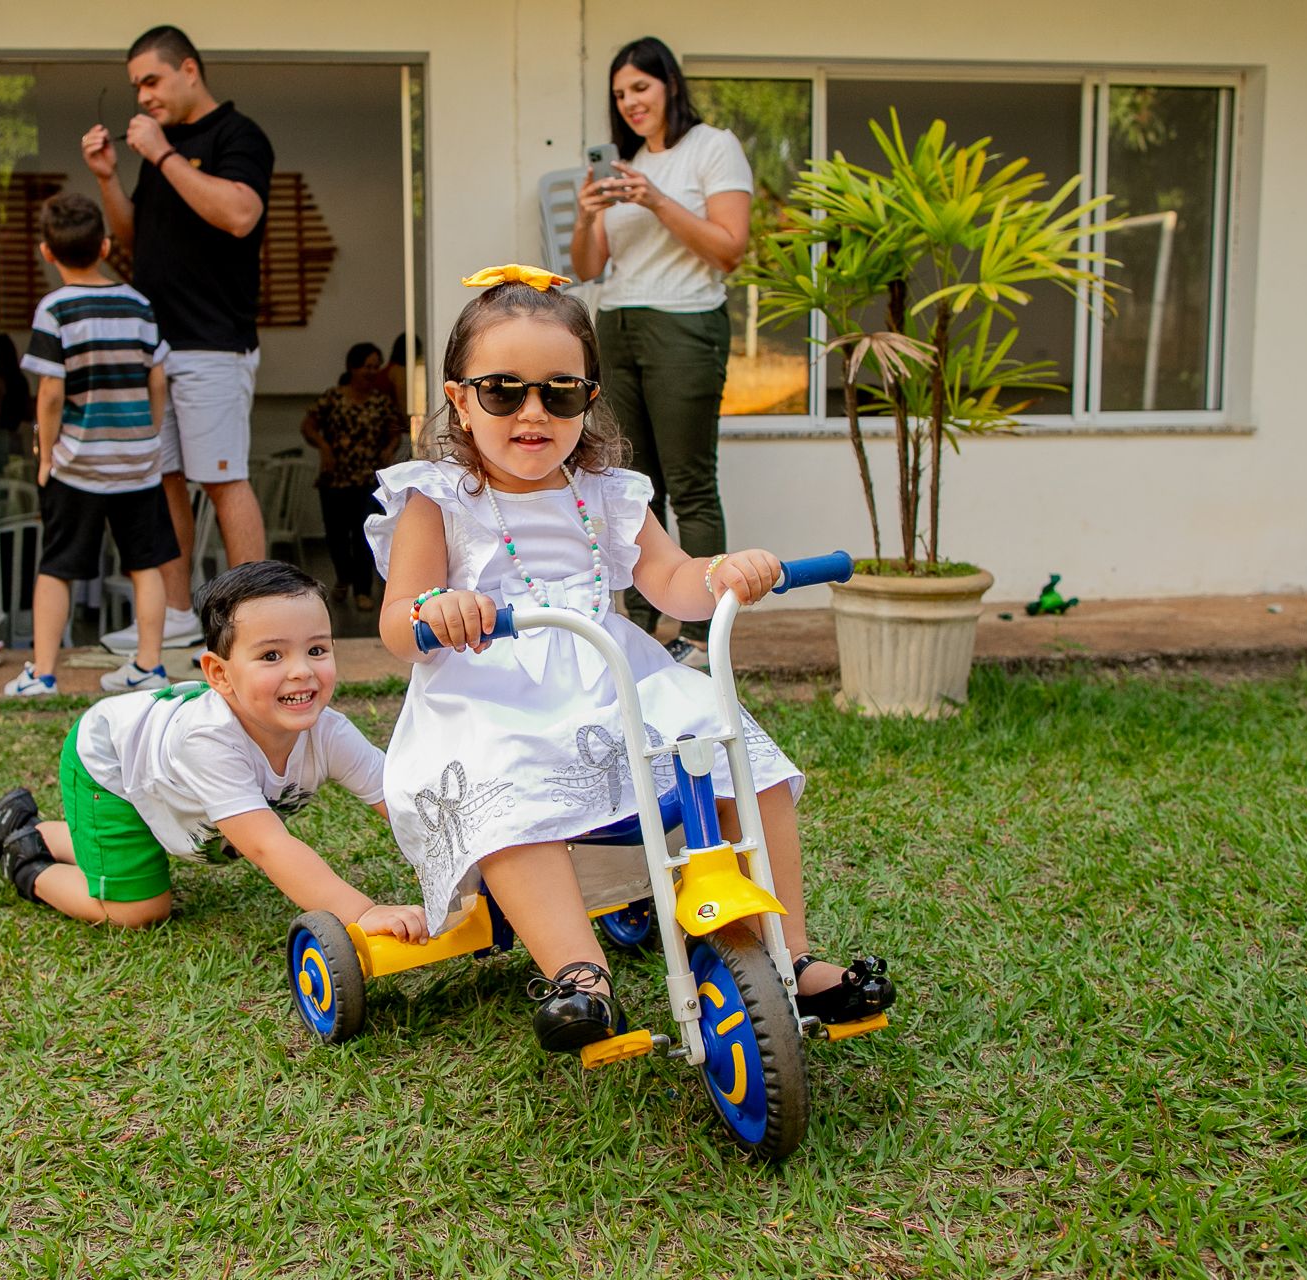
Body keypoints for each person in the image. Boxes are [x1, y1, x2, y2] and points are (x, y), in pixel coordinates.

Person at [367, 265, 894, 1052]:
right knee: (502, 781)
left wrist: (721, 574)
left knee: (737, 751)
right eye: (504, 392)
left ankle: (790, 953)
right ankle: (580, 974)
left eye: (561, 392)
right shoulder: (438, 497)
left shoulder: (609, 492)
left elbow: (673, 583)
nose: (534, 413)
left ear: (589, 398)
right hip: (490, 689)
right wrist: (436, 611)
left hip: (609, 671)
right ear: (458, 399)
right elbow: (396, 625)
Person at [0, 561, 429, 942]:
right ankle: (24, 860)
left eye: (317, 650)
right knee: (139, 910)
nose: (302, 671)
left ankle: (28, 828)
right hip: (111, 764)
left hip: (156, 773)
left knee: (135, 856)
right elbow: (267, 845)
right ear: (219, 675)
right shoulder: (209, 742)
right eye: (271, 656)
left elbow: (401, 800)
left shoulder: (329, 732)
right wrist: (363, 913)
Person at [82, 26, 275, 656]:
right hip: (156, 347)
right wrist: (111, 178)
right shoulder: (157, 149)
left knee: (222, 479)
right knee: (162, 480)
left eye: (151, 80)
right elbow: (135, 240)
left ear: (188, 69)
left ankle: (258, 620)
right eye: (136, 84)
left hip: (212, 342)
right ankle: (174, 615)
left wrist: (163, 153)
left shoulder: (237, 136)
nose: (142, 96)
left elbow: (240, 213)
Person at [570, 37, 753, 669]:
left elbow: (730, 248)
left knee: (690, 482)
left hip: (685, 323)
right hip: (617, 322)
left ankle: (705, 635)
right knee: (630, 486)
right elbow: (588, 267)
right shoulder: (618, 164)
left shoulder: (712, 147)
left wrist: (655, 199)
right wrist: (589, 213)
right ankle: (642, 628)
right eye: (620, 95)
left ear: (669, 85)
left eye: (640, 88)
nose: (630, 103)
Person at [4, 193, 176, 698]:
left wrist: (45, 453)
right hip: (137, 462)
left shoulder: (53, 310)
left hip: (77, 463)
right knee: (146, 564)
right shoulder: (138, 304)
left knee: (57, 566)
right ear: (104, 245)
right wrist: (150, 432)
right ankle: (149, 666)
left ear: (46, 252)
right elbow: (159, 377)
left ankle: (42, 672)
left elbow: (52, 392)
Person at [300, 342, 404, 610]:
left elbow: (396, 431)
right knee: (336, 536)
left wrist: (389, 450)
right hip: (335, 478)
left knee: (363, 536)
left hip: (367, 480)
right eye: (366, 366)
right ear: (352, 367)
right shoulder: (333, 397)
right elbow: (308, 425)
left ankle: (362, 590)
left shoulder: (381, 401)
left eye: (375, 367)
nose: (371, 372)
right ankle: (343, 578)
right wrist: (324, 447)